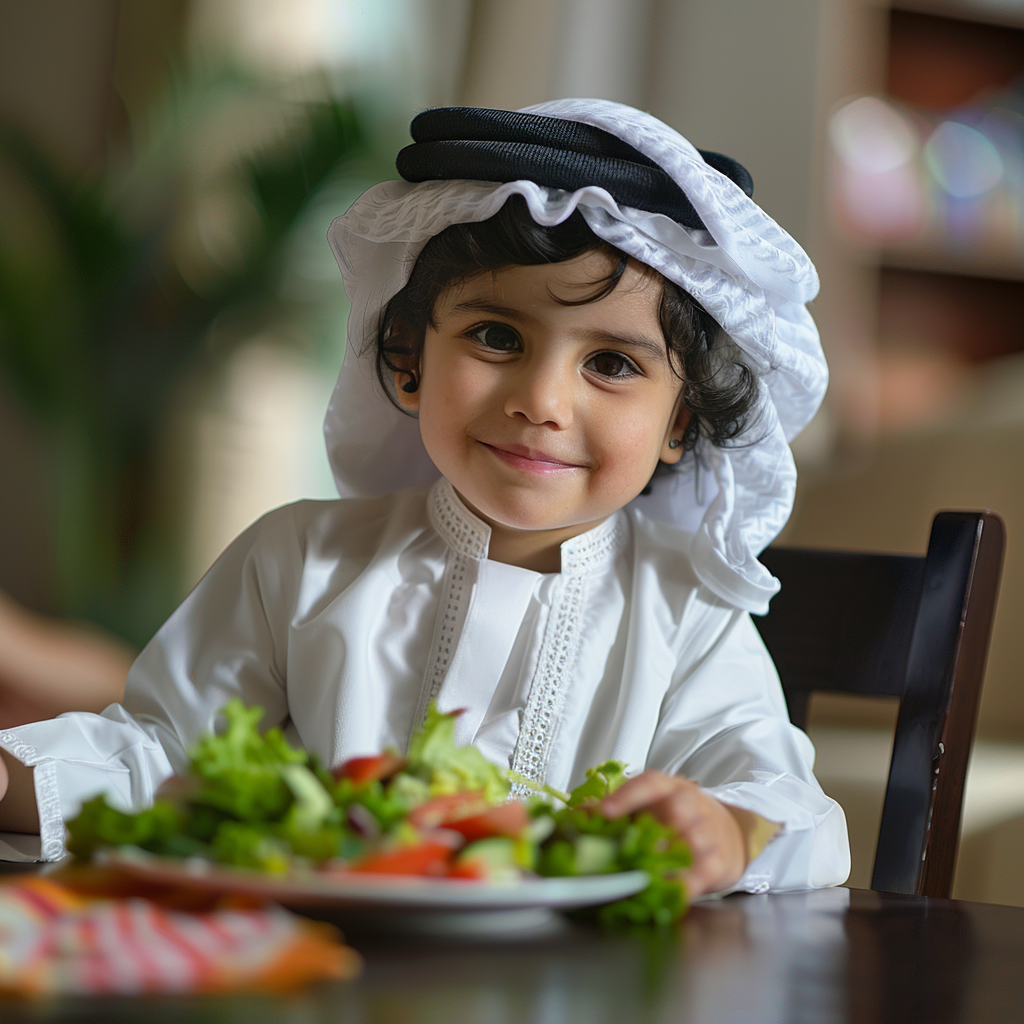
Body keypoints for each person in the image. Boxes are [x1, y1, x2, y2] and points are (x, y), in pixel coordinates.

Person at [0, 100, 849, 898]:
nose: (542, 401)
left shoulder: (686, 609)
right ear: (409, 357)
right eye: (496, 337)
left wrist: (729, 830)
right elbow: (163, 759)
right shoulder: (298, 559)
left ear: (681, 421)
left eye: (612, 364)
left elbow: (787, 804)